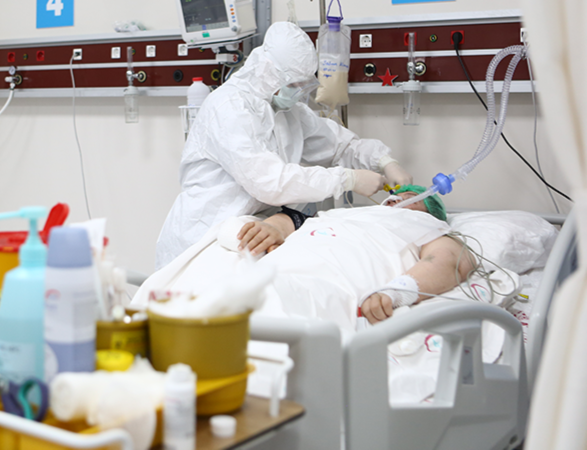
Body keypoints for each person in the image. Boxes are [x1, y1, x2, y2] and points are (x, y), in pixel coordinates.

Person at [155, 21, 412, 269]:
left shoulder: (288, 111)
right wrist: (347, 180)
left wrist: (384, 161)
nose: (299, 91)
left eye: (303, 84)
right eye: (293, 84)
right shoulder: (228, 107)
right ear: (267, 71)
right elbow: (270, 183)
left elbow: (339, 146)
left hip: (248, 235)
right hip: (203, 238)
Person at [237, 185, 473, 325]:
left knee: (288, 313)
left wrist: (397, 292)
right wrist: (273, 227)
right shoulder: (347, 214)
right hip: (280, 267)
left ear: (429, 211)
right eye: (397, 194)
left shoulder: (425, 224)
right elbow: (294, 219)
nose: (397, 198)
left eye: (411, 197)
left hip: (335, 278)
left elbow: (452, 260)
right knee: (242, 300)